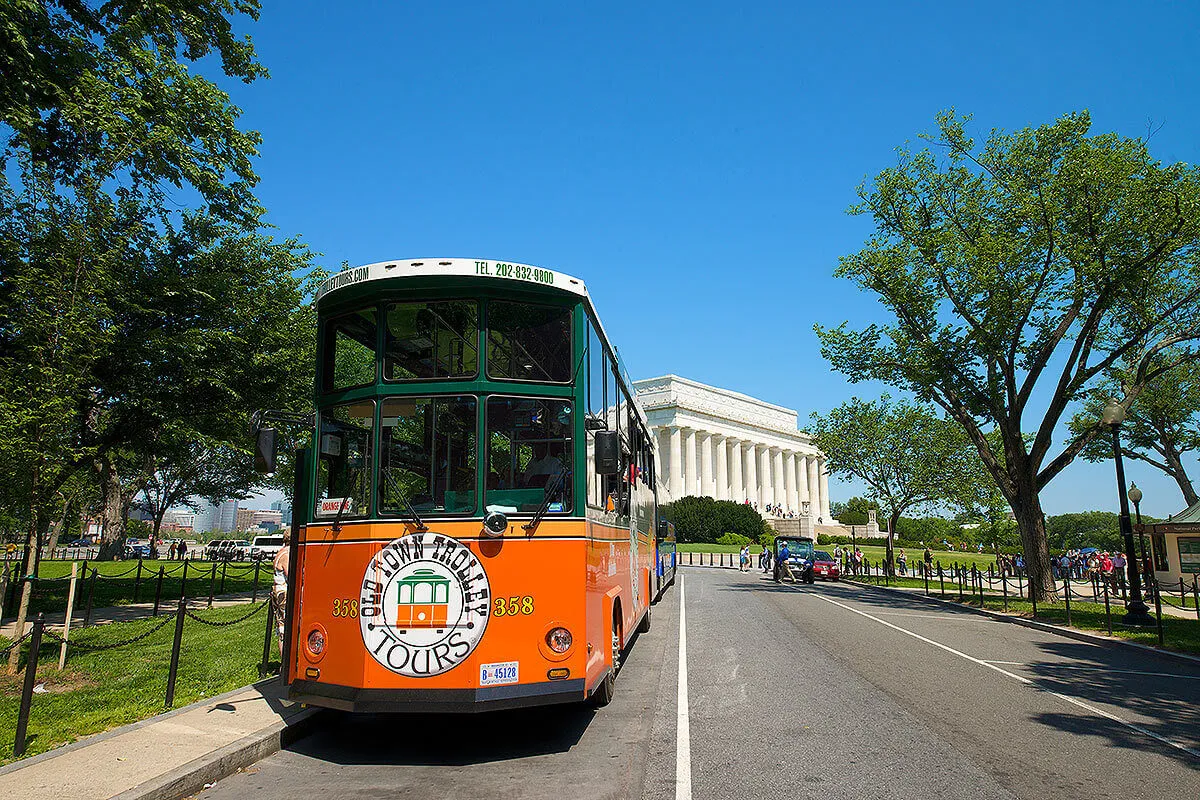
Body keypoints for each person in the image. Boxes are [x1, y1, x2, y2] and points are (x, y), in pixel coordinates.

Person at [272, 532, 291, 657]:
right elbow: (291, 575)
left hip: (276, 591)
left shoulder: (280, 552)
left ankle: (283, 663)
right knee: (286, 628)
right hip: (284, 593)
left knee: (281, 627)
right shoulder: (287, 555)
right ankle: (285, 662)